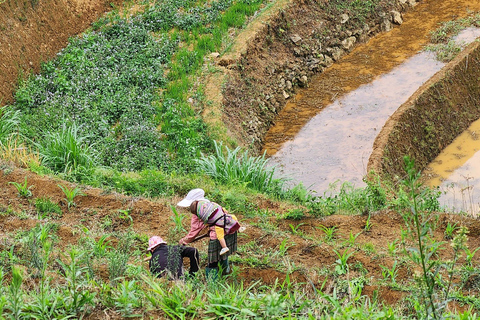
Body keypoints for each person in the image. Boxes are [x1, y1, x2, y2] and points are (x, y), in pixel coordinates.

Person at [177, 189, 240, 277]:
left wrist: (184, 241)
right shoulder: (212, 205)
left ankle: (211, 284)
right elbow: (224, 213)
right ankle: (225, 272)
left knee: (212, 261)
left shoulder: (197, 214)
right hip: (229, 228)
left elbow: (194, 232)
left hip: (217, 236)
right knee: (223, 253)